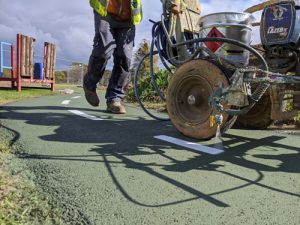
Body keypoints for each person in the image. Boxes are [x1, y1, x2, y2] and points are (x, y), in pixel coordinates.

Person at [83, 0, 142, 114]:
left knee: (124, 57)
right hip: (106, 12)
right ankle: (89, 83)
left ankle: (114, 99)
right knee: (103, 51)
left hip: (128, 17)